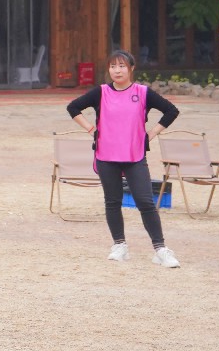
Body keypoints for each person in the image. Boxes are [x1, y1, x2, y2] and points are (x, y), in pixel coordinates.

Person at [66, 49, 179, 267]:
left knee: (145, 202)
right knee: (112, 201)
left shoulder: (143, 92)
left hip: (134, 156)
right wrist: (91, 129)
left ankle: (160, 249)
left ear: (131, 68)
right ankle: (120, 245)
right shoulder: (101, 92)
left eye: (121, 66)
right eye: (112, 66)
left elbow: (171, 111)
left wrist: (151, 134)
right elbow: (73, 107)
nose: (117, 71)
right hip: (106, 156)